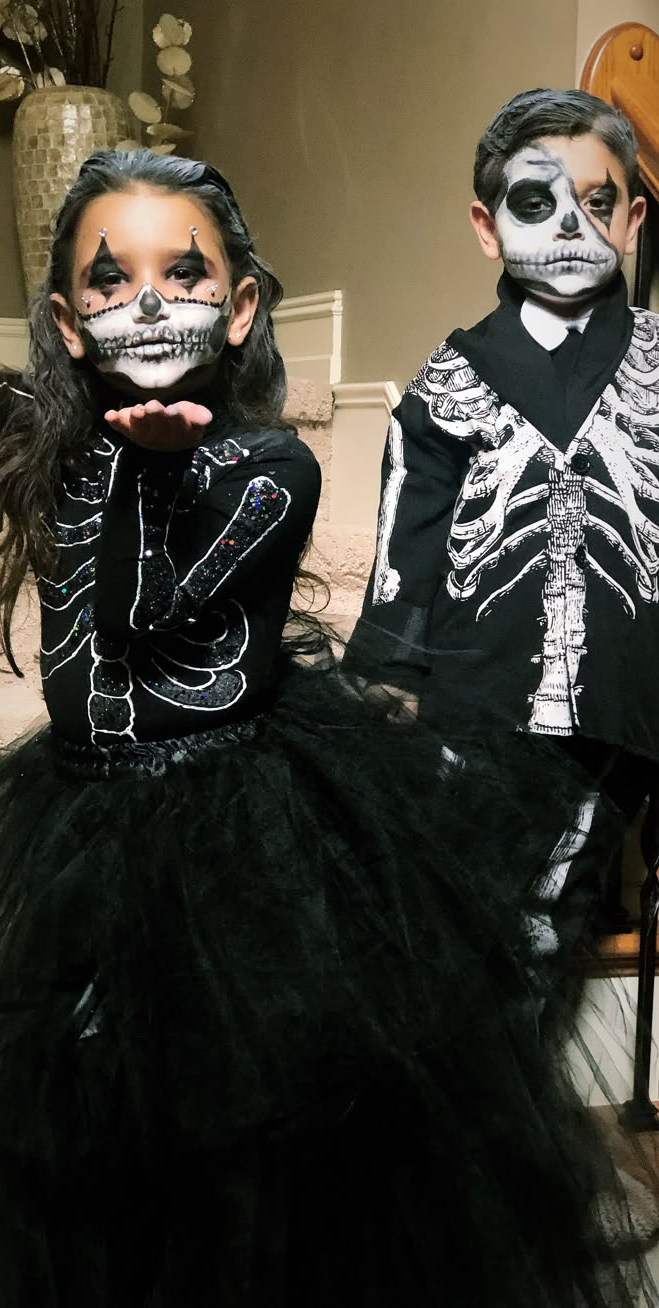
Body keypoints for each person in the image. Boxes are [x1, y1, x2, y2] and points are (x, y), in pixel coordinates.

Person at [0, 149, 653, 1308]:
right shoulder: (57, 453)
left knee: (243, 1127)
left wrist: (130, 469)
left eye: (185, 274)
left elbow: (147, 608)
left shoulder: (268, 465)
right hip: (85, 814)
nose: (150, 303)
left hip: (235, 816)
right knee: (83, 1113)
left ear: (243, 306)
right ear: (66, 322)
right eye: (110, 284)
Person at [345, 87, 659, 978]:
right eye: (535, 203)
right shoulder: (450, 380)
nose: (569, 224)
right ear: (488, 228)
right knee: (459, 913)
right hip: (475, 704)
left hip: (623, 705)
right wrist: (390, 682)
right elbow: (406, 547)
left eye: (597, 203)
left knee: (560, 910)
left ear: (633, 220)